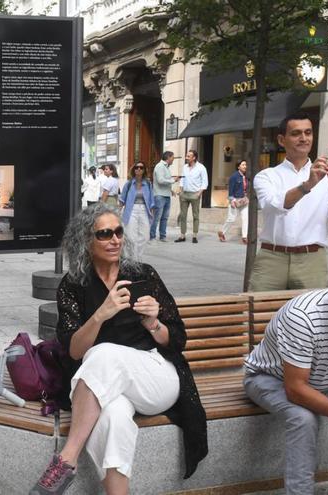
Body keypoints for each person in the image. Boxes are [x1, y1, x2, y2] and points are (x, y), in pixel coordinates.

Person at [30, 204, 207, 495]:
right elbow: (74, 350)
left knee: (104, 353)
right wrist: (101, 313)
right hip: (104, 384)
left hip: (155, 377)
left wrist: (153, 323)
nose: (115, 239)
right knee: (112, 416)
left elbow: (177, 339)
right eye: (104, 233)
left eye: (119, 231)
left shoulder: (142, 274)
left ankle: (66, 459)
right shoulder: (73, 285)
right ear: (85, 240)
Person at [243, 258, 328, 495]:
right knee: (303, 418)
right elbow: (296, 389)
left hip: (327, 380)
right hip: (269, 378)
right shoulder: (303, 315)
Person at [249, 112, 328, 291]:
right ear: (281, 140)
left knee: (312, 315)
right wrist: (308, 184)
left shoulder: (326, 176)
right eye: (296, 133)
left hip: (312, 258)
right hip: (272, 257)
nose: (304, 138)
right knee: (260, 314)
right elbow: (272, 205)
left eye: (308, 133)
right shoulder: (267, 175)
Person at [119, 162, 154, 260]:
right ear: (133, 170)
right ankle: (134, 259)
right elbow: (122, 199)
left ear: (144, 170)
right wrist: (117, 213)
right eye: (136, 167)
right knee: (131, 236)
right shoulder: (129, 183)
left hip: (144, 211)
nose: (139, 169)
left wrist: (152, 213)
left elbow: (151, 200)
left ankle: (138, 256)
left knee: (145, 236)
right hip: (131, 210)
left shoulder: (148, 183)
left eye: (141, 168)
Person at [174, 150, 207, 244]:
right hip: (184, 194)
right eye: (186, 156)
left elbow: (205, 182)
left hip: (195, 194)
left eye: (188, 156)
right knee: (183, 215)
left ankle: (195, 235)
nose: (186, 158)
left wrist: (199, 193)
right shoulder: (185, 167)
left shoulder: (201, 168)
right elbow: (182, 179)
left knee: (195, 215)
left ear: (194, 157)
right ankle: (182, 235)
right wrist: (180, 190)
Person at [217, 160, 249, 244]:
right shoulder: (234, 177)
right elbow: (230, 190)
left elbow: (245, 189)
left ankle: (244, 237)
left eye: (245, 165)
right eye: (243, 165)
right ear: (238, 167)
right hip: (235, 201)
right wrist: (232, 201)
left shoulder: (245, 177)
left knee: (245, 218)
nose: (245, 166)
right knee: (231, 219)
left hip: (243, 201)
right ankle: (222, 232)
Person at [150, 151, 175, 242]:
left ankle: (162, 236)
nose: (173, 160)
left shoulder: (167, 167)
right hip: (159, 195)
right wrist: (173, 181)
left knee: (165, 217)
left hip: (166, 195)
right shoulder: (160, 166)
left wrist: (171, 190)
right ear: (168, 157)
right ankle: (152, 236)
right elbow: (160, 180)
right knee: (157, 217)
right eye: (173, 157)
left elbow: (164, 180)